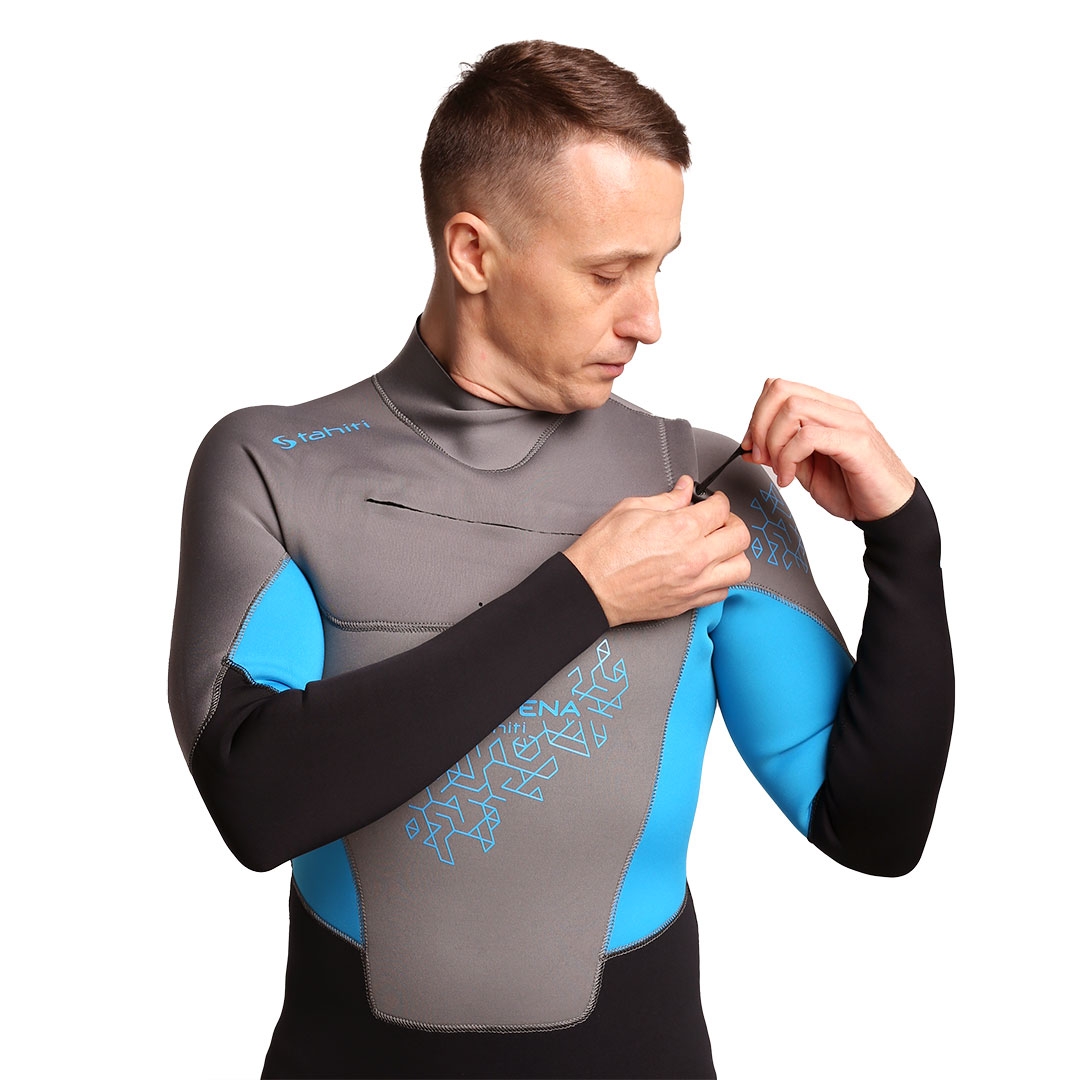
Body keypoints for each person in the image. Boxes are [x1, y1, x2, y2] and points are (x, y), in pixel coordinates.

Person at [168, 40, 953, 1080]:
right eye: (607, 273)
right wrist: (584, 595)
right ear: (474, 252)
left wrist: (905, 535)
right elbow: (258, 799)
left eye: (660, 267)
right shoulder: (276, 466)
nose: (651, 320)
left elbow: (871, 829)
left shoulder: (703, 484)